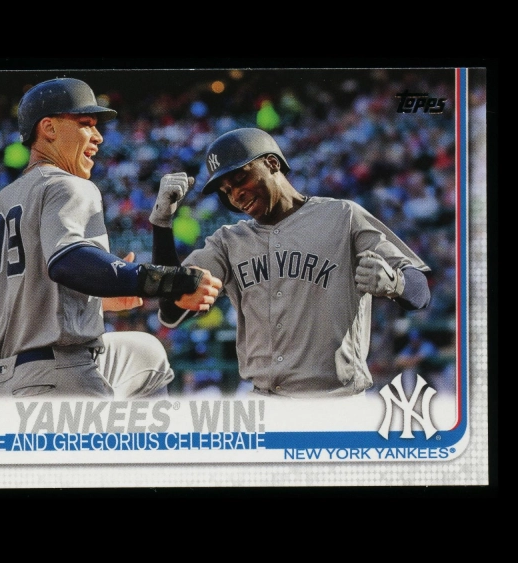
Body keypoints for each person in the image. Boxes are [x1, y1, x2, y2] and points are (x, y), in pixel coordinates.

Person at [0, 78, 221, 398]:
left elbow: (26, 298)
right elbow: (68, 262)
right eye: (86, 124)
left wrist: (94, 301)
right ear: (48, 128)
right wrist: (170, 281)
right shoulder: (65, 184)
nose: (98, 136)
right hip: (58, 377)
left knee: (146, 353)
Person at [149, 127, 431, 398]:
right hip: (265, 401)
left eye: (240, 179)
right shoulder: (228, 241)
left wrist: (396, 282)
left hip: (337, 402)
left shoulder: (342, 216)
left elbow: (420, 290)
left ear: (272, 163)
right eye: (226, 190)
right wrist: (161, 224)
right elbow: (171, 310)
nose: (235, 195)